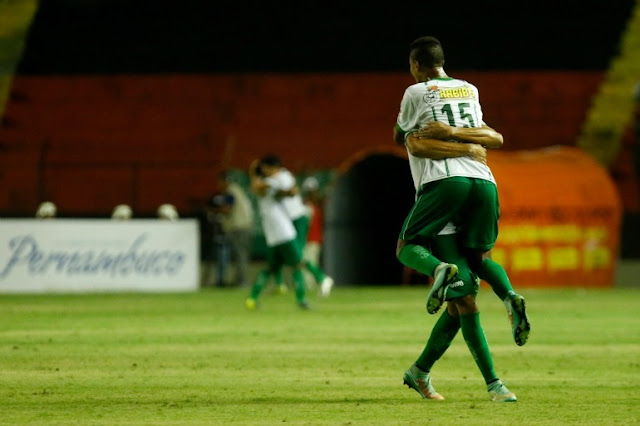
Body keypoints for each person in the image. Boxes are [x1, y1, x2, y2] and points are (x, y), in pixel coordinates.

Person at [393, 36, 529, 402]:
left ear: (414, 64)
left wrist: (446, 139)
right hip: (484, 182)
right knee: (467, 289)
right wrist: (468, 144)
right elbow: (494, 137)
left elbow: (409, 140)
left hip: (444, 184)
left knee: (409, 248)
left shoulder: (415, 93)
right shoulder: (469, 89)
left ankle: (437, 269)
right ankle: (424, 372)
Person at [259, 155, 334, 297]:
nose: (264, 172)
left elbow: (292, 191)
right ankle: (280, 284)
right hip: (288, 220)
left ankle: (321, 278)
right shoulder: (277, 179)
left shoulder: (283, 177)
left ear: (270, 167)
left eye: (264, 168)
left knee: (297, 255)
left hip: (297, 218)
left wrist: (280, 192)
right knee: (281, 253)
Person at [245, 158, 309, 310]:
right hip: (284, 232)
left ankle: (252, 299)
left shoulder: (270, 185)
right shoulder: (271, 183)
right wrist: (254, 173)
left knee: (270, 269)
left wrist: (254, 173)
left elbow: (286, 193)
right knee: (298, 264)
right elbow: (288, 191)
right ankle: (302, 299)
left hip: (273, 236)